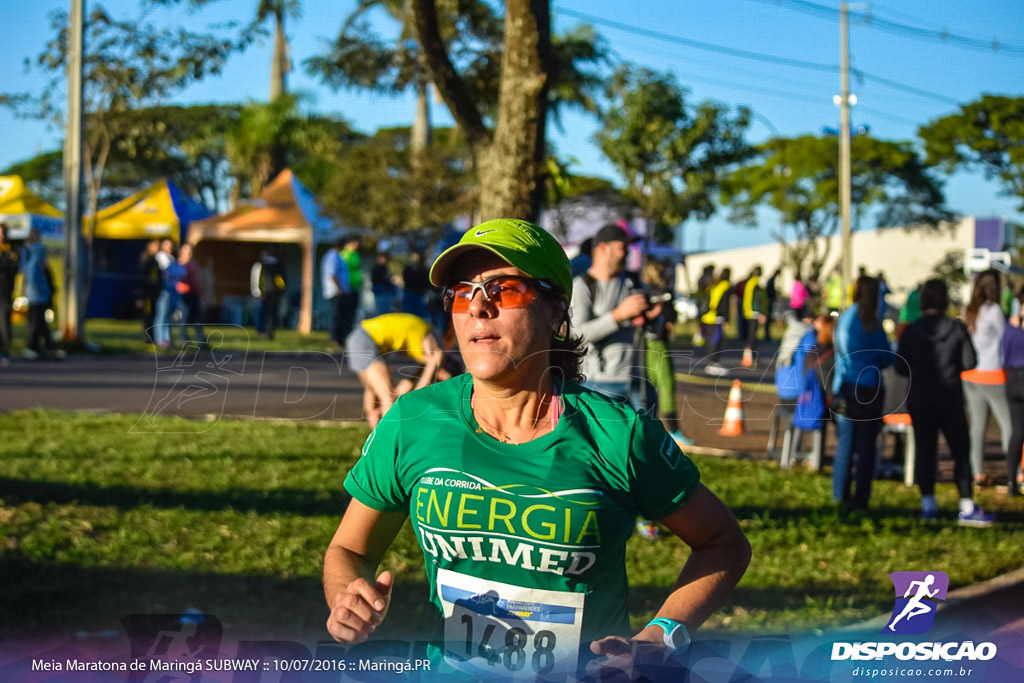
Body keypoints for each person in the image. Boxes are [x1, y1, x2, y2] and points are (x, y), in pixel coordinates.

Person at [323, 218, 751, 679]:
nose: (478, 308)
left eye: (504, 290)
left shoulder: (619, 433)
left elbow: (722, 542)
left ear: (555, 310)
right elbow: (350, 550)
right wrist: (347, 596)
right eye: (463, 293)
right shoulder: (412, 421)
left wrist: (663, 633)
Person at [896, 279, 994, 525]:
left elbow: (900, 366)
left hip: (920, 398)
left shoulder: (912, 330)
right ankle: (966, 503)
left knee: (925, 451)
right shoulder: (956, 329)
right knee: (960, 451)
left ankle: (928, 504)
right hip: (949, 397)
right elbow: (970, 362)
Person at [569, 223, 656, 406]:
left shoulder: (632, 281)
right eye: (622, 248)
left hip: (639, 381)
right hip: (600, 383)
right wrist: (617, 316)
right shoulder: (582, 285)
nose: (627, 253)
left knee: (645, 434)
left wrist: (654, 318)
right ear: (603, 248)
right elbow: (576, 335)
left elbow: (650, 332)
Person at [831, 275, 893, 509]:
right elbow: (887, 356)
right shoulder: (871, 323)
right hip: (869, 389)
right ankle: (861, 497)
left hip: (845, 386)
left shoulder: (845, 319)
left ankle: (839, 496)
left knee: (845, 444)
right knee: (866, 445)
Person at [344, 312, 447, 428]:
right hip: (364, 340)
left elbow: (416, 379)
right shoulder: (434, 348)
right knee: (387, 397)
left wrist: (405, 389)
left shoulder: (427, 343)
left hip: (361, 337)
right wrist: (413, 394)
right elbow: (425, 380)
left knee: (374, 390)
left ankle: (376, 436)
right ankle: (386, 438)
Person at [962, 269, 1012, 487]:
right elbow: (1006, 342)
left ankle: (977, 473)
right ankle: (1015, 471)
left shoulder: (968, 310)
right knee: (1008, 425)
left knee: (977, 427)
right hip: (994, 375)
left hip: (972, 376)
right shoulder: (994, 311)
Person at [640, 261, 694, 446]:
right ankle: (672, 430)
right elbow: (659, 316)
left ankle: (658, 429)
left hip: (657, 342)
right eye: (664, 272)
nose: (667, 276)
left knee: (655, 386)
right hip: (654, 343)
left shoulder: (657, 292)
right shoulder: (651, 292)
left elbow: (672, 317)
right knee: (665, 385)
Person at [21, 229, 62, 360]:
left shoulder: (29, 255)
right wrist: (39, 289)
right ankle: (32, 347)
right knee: (35, 320)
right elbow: (33, 274)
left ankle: (45, 346)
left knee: (40, 321)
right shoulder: (34, 257)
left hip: (37, 292)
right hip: (36, 292)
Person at [1004, 286, 1024, 496]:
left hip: (1013, 379)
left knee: (1017, 432)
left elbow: (1005, 355)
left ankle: (1012, 480)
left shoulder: (1010, 329)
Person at [701, 268, 733, 376]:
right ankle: (714, 364)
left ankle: (711, 363)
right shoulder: (726, 286)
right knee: (716, 341)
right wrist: (725, 318)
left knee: (710, 340)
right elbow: (725, 303)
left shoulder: (714, 285)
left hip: (707, 317)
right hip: (716, 317)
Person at [321, 238, 350, 346]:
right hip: (334, 291)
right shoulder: (332, 257)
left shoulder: (336, 256)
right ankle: (334, 339)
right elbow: (332, 274)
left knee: (339, 316)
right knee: (335, 316)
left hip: (338, 291)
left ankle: (338, 338)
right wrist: (339, 288)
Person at [735, 265, 765, 367]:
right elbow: (756, 299)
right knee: (752, 337)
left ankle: (750, 357)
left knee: (750, 336)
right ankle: (749, 358)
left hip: (747, 312)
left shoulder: (749, 283)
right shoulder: (755, 283)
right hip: (753, 314)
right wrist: (758, 313)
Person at [251, 250, 285, 340]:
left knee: (266, 314)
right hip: (269, 293)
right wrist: (280, 291)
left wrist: (259, 291)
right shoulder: (276, 265)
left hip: (267, 293)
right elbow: (280, 281)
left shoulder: (262, 265)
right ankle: (266, 331)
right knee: (268, 314)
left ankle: (265, 331)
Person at [153, 239, 180, 349]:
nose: (168, 247)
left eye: (170, 245)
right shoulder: (160, 256)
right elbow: (168, 271)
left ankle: (166, 339)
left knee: (168, 316)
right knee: (161, 314)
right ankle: (159, 339)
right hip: (164, 290)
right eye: (166, 244)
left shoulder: (172, 258)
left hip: (172, 290)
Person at [176, 243, 205, 344]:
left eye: (190, 251)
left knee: (197, 318)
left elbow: (198, 280)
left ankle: (201, 340)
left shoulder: (194, 264)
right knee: (184, 317)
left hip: (194, 294)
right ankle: (185, 341)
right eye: (186, 250)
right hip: (183, 295)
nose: (188, 253)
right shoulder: (179, 264)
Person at [0, 224, 18, 367]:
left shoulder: (12, 250)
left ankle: (5, 353)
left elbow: (13, 269)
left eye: (3, 233)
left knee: (5, 324)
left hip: (5, 293)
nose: (1, 236)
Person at [138, 239, 162, 345]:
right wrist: (141, 296)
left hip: (154, 294)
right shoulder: (146, 261)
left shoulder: (155, 261)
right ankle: (148, 339)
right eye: (155, 245)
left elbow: (158, 278)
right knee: (147, 315)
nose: (157, 248)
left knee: (153, 315)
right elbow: (142, 280)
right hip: (147, 295)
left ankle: (153, 337)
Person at [339, 236, 362, 341]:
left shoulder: (355, 255)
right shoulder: (344, 255)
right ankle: (343, 336)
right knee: (345, 313)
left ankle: (350, 336)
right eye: (356, 243)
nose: (357, 245)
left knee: (352, 314)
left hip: (355, 288)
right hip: (347, 289)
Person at [401, 251, 430, 318]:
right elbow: (406, 280)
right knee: (409, 315)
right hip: (410, 293)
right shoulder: (408, 268)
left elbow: (426, 280)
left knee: (420, 315)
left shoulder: (423, 268)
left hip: (420, 294)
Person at [371, 252, 396, 317]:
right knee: (381, 313)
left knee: (384, 312)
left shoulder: (384, 268)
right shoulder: (378, 268)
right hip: (381, 292)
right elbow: (382, 280)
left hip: (384, 292)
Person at [763, 267, 780, 340]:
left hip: (770, 300)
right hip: (769, 301)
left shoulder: (771, 280)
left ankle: (767, 334)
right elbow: (769, 291)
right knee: (768, 319)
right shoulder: (771, 280)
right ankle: (767, 335)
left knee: (769, 319)